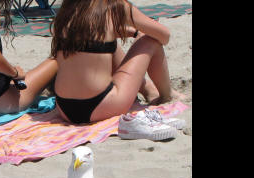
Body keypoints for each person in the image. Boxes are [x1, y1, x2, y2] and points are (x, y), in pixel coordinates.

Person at [50, 0, 186, 124]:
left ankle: (147, 89)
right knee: (150, 40)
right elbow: (164, 35)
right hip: (101, 104)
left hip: (65, 108)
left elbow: (98, 33)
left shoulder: (68, 9)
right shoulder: (115, 6)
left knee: (107, 45)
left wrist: (132, 32)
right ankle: (166, 95)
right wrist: (139, 33)